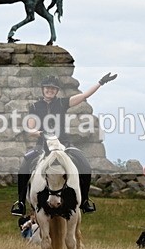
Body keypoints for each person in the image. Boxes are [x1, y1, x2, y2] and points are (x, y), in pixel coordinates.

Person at [11, 72, 118, 217]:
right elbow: (30, 129)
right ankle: (21, 203)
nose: (50, 90)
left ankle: (85, 201)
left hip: (64, 144)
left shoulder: (62, 103)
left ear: (57, 91)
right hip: (42, 145)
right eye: (47, 88)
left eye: (53, 88)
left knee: (85, 165)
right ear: (43, 89)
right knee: (24, 166)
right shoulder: (35, 107)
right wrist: (40, 133)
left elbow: (84, 96)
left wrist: (101, 82)